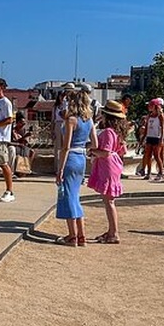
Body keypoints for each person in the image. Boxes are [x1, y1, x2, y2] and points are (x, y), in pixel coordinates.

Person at [55, 90, 98, 246]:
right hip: (81, 157)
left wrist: (60, 169)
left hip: (71, 157)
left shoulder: (71, 120)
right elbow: (95, 144)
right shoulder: (89, 120)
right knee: (75, 196)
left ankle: (72, 235)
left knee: (68, 196)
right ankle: (81, 235)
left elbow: (65, 147)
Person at [87, 100, 128, 244]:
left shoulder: (108, 132)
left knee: (109, 201)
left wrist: (92, 151)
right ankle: (111, 231)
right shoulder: (117, 132)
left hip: (107, 166)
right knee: (109, 200)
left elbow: (105, 152)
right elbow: (123, 151)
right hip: (114, 164)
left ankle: (114, 233)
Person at [139, 98, 164, 181]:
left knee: (157, 156)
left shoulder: (160, 116)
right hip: (149, 137)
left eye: (150, 105)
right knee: (148, 155)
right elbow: (147, 128)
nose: (149, 107)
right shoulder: (149, 116)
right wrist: (143, 138)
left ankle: (161, 173)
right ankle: (148, 173)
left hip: (157, 137)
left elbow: (163, 128)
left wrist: (161, 138)